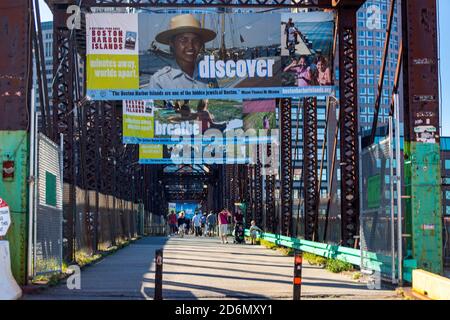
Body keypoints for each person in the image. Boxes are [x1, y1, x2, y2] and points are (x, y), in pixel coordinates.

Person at [146, 14, 218, 89]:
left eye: (196, 41)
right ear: (172, 43)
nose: (190, 46)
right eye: (183, 40)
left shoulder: (209, 76)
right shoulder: (160, 81)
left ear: (200, 44)